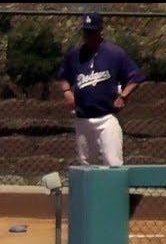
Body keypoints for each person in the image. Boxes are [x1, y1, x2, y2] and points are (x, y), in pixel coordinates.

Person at [57, 12, 146, 166]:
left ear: (100, 31)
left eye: (92, 32)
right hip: (82, 117)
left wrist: (123, 96)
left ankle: (114, 190)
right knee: (86, 164)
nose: (89, 36)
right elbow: (64, 76)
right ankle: (91, 191)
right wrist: (67, 92)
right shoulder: (75, 55)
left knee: (112, 162)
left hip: (106, 117)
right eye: (86, 32)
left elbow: (135, 77)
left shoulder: (114, 53)